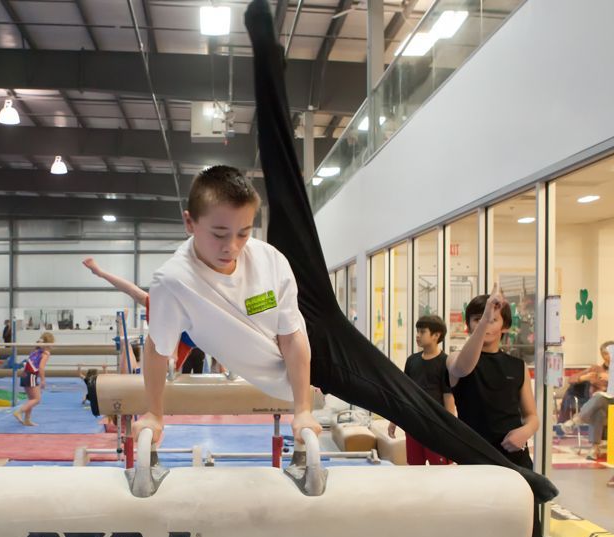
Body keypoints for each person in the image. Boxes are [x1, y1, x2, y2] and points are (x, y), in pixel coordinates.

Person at [137, 0, 556, 503]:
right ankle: (517, 478)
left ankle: (265, 47)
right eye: (219, 234)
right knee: (409, 406)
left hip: (318, 338)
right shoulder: (172, 282)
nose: (233, 247)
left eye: (245, 231)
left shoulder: (264, 259)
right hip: (313, 353)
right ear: (190, 224)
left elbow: (295, 340)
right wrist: (155, 412)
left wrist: (301, 406)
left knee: (287, 184)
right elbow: (158, 351)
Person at [446, 288, 576, 537]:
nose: (484, 326)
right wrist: (485, 313)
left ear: (504, 327)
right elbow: (460, 369)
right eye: (477, 319)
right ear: (471, 323)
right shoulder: (460, 360)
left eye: (492, 320)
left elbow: (532, 414)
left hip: (515, 459)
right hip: (476, 461)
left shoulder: (517, 367)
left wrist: (525, 432)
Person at [388, 315, 455, 465]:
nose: (417, 335)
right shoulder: (412, 360)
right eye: (417, 331)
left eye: (422, 332)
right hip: (413, 425)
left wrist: (452, 430)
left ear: (436, 335)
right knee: (414, 469)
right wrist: (394, 420)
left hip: (436, 427)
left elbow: (448, 397)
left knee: (440, 471)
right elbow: (404, 393)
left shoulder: (446, 362)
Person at [559, 340, 614, 460]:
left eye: (611, 353)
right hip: (598, 406)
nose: (608, 356)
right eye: (606, 353)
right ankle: (594, 449)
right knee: (598, 411)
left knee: (599, 397)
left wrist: (610, 378)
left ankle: (575, 421)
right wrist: (584, 377)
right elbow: (571, 379)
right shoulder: (596, 369)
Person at [13, 332, 52, 426]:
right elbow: (41, 368)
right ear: (49, 343)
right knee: (37, 399)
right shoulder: (45, 354)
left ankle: (27, 420)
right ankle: (19, 411)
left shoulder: (34, 351)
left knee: (31, 399)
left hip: (25, 374)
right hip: (30, 375)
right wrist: (43, 380)